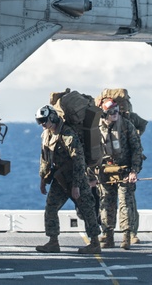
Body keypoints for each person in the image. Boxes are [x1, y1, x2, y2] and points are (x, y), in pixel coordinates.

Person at [35, 104, 101, 254]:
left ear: (52, 117)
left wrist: (76, 185)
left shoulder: (68, 135)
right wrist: (43, 179)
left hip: (75, 178)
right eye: (40, 122)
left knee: (87, 210)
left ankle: (95, 243)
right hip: (60, 179)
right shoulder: (47, 135)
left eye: (44, 120)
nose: (42, 124)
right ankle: (53, 242)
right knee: (50, 208)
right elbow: (45, 158)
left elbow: (78, 160)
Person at [96, 98, 144, 250]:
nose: (114, 114)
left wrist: (134, 171)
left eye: (116, 111)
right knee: (106, 204)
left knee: (125, 204)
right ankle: (108, 236)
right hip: (105, 172)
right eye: (111, 112)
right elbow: (91, 151)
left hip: (124, 171)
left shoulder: (126, 126)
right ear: (104, 114)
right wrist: (92, 174)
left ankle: (126, 236)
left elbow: (137, 149)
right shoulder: (96, 128)